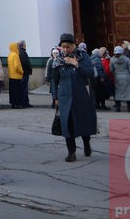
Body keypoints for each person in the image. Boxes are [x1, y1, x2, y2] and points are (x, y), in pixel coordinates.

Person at [51, 33, 97, 162]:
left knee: (83, 122)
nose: (65, 50)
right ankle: (71, 152)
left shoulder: (83, 57)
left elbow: (90, 73)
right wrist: (55, 97)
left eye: (68, 47)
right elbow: (55, 81)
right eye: (63, 47)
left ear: (73, 46)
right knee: (67, 125)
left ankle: (86, 143)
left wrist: (77, 64)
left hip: (81, 96)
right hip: (65, 97)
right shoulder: (57, 61)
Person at [109, 46, 130, 112]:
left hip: (118, 77)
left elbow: (111, 69)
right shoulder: (126, 59)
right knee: (128, 92)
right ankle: (129, 108)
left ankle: (118, 107)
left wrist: (115, 74)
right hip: (127, 77)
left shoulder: (112, 59)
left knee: (118, 92)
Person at [7, 42, 23, 108]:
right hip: (16, 76)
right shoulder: (15, 55)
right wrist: (21, 71)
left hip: (11, 76)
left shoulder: (10, 55)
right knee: (17, 91)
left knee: (12, 91)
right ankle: (17, 104)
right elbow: (17, 66)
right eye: (17, 46)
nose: (18, 47)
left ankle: (13, 103)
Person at [18, 40, 33, 107]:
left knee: (24, 88)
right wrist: (29, 68)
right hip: (25, 72)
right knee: (24, 88)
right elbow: (25, 63)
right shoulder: (23, 52)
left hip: (23, 72)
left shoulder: (20, 52)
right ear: (23, 45)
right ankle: (24, 103)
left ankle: (25, 102)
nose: (25, 45)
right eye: (25, 44)